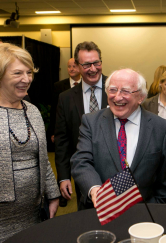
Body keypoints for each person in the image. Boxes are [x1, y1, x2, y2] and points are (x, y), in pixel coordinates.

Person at [0, 43, 60, 243]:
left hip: (32, 214)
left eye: (29, 72)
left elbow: (43, 160)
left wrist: (53, 195)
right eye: (18, 73)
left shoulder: (33, 111)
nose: (26, 79)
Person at [71, 68, 166, 208]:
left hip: (144, 217)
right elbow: (81, 161)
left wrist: (155, 213)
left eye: (125, 91)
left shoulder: (160, 127)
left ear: (141, 97)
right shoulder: (91, 122)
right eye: (113, 90)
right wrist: (95, 189)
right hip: (100, 213)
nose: (117, 97)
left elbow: (165, 184)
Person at [55, 41, 108, 210]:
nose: (93, 69)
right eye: (86, 64)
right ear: (77, 66)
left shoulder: (116, 88)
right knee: (87, 217)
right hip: (83, 170)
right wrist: (64, 177)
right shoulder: (66, 98)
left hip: (114, 168)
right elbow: (62, 140)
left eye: (96, 63)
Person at [48, 57, 81, 207]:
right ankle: (63, 193)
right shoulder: (59, 86)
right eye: (69, 66)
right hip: (65, 131)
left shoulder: (87, 86)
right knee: (63, 160)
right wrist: (54, 131)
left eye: (74, 66)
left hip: (80, 132)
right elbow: (55, 110)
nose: (72, 69)